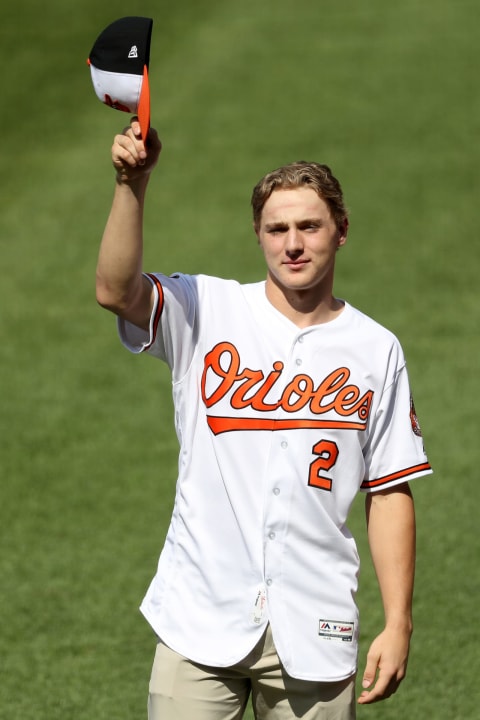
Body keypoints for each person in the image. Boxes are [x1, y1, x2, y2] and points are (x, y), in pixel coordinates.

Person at [96, 118, 432, 720]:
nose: (292, 244)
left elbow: (389, 489)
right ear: (258, 235)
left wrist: (399, 622)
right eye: (277, 229)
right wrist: (132, 184)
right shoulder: (205, 308)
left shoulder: (376, 348)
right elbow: (116, 291)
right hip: (200, 615)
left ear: (342, 231)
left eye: (309, 226)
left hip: (317, 621)